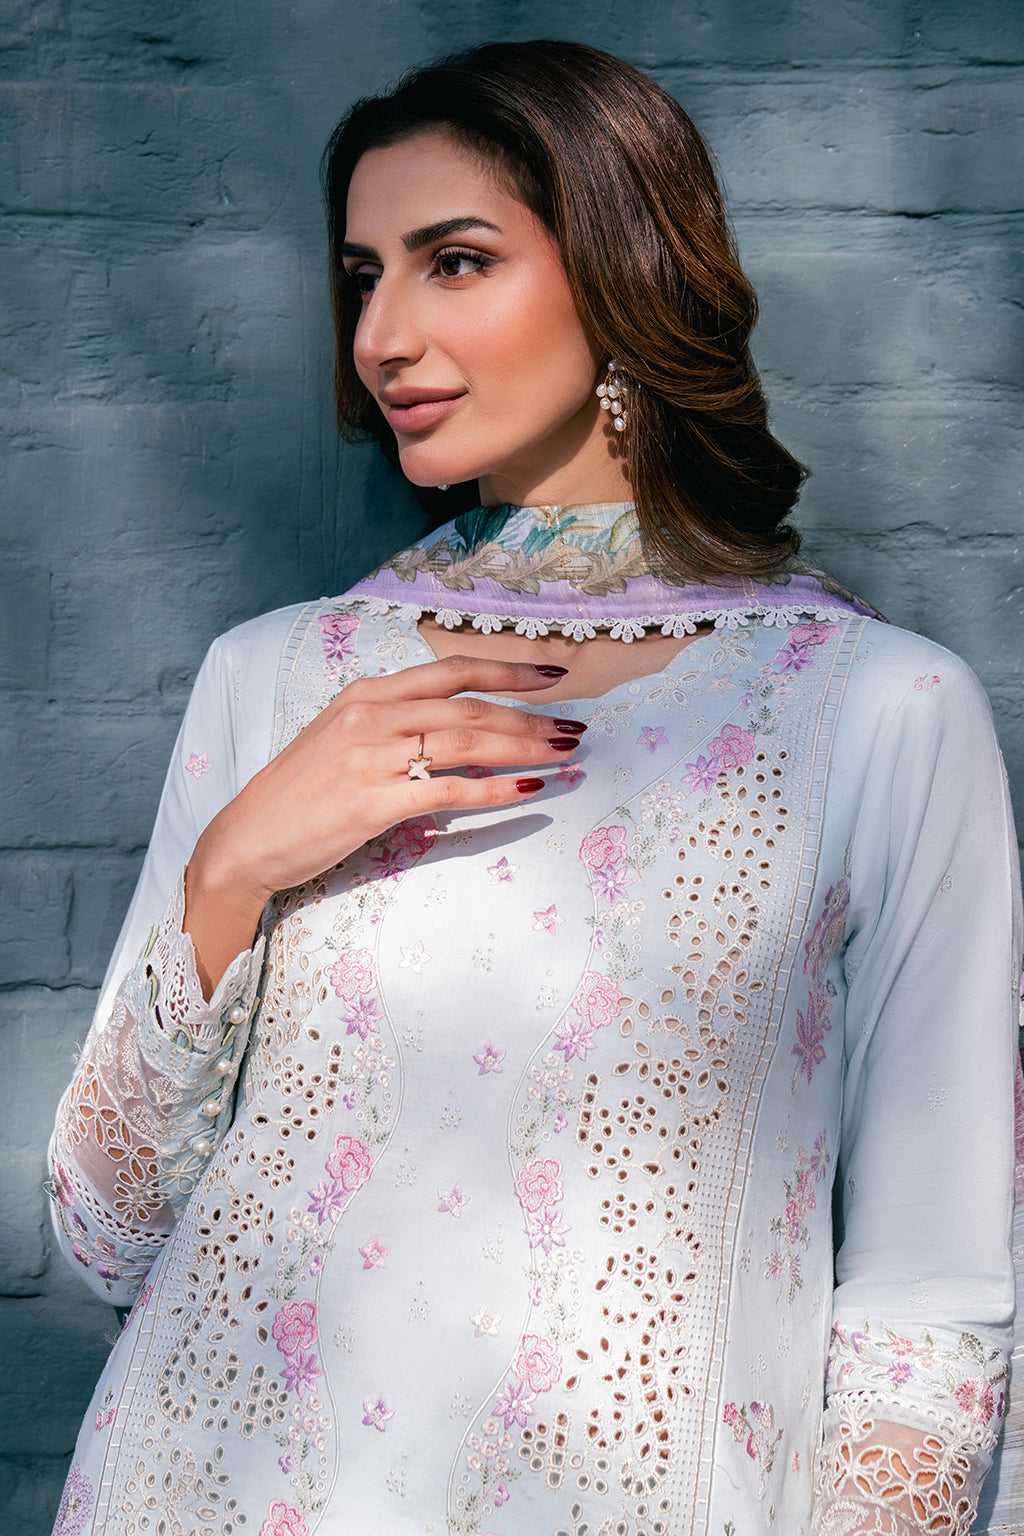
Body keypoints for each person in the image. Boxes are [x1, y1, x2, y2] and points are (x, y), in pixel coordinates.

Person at [48, 39, 1020, 1536]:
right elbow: (105, 1232)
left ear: (623, 277)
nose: (382, 335)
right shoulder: (274, 679)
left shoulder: (879, 710)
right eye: (363, 277)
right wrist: (232, 871)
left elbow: (932, 1295)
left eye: (455, 262)